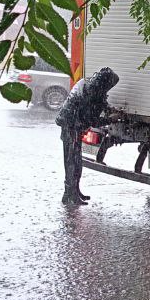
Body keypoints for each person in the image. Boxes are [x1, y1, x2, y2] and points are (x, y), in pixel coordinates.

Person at [56, 66, 120, 206]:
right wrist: (111, 119)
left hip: (71, 124)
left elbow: (101, 102)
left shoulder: (90, 84)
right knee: (73, 162)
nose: (110, 88)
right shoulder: (91, 93)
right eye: (110, 85)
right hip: (71, 126)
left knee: (75, 161)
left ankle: (73, 192)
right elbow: (92, 120)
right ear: (105, 83)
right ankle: (69, 195)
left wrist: (109, 109)